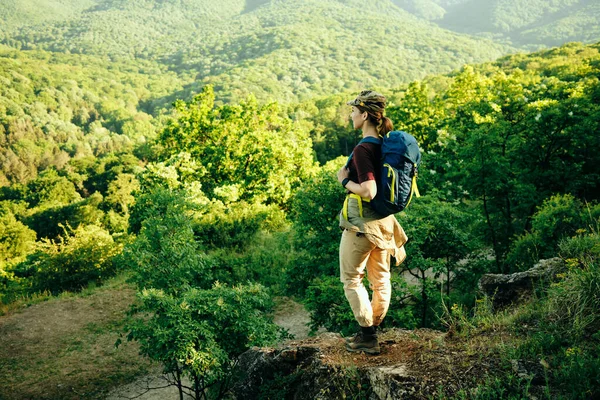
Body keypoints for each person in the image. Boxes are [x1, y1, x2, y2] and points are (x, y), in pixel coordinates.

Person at [337, 90, 408, 355]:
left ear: (365, 114)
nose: (351, 115)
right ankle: (373, 329)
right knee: (380, 279)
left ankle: (367, 335)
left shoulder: (363, 148)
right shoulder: (383, 145)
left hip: (362, 225)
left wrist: (344, 181)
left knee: (352, 279)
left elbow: (368, 190)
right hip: (384, 224)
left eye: (353, 111)